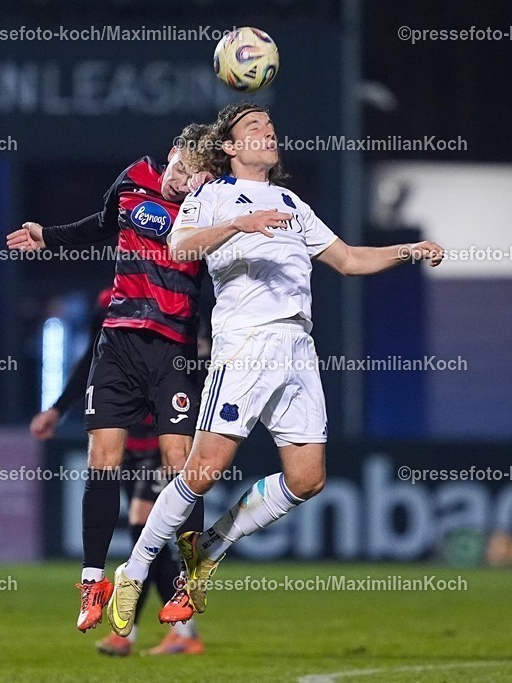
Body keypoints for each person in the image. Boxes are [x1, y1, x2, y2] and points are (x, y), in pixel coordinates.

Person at [107, 103, 444, 634]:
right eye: (253, 128)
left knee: (308, 479)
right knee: (202, 471)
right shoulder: (211, 195)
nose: (267, 133)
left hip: (297, 346)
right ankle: (135, 568)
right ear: (231, 148)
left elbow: (350, 260)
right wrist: (240, 223)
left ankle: (214, 542)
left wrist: (408, 249)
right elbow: (178, 244)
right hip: (246, 344)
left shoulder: (293, 203)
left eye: (270, 127)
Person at [6, 125, 212, 633]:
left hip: (173, 348)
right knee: (102, 457)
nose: (180, 182)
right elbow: (102, 223)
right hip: (119, 342)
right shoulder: (132, 181)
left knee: (177, 464)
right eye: (179, 168)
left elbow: (218, 272)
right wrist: (48, 236)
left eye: (193, 178)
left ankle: (189, 581)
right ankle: (93, 580)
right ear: (170, 157)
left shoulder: (210, 211)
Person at [30, 288, 204, 656]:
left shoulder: (177, 289)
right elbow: (91, 363)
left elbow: (195, 355)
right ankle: (167, 631)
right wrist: (58, 409)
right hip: (128, 440)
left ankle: (150, 631)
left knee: (145, 527)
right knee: (142, 533)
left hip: (160, 440)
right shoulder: (111, 301)